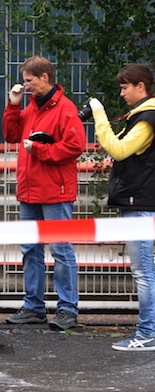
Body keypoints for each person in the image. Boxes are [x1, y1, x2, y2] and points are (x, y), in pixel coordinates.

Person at [2, 56, 86, 331]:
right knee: (31, 250)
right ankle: (35, 306)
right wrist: (13, 106)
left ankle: (66, 309)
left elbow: (75, 147)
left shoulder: (65, 109)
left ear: (44, 77)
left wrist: (38, 150)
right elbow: (12, 134)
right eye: (24, 82)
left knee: (60, 250)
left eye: (29, 81)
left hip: (54, 191)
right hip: (32, 190)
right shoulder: (32, 108)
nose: (26, 87)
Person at [87, 64, 155, 350]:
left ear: (141, 86)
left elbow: (118, 150)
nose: (122, 92)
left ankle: (147, 333)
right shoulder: (143, 115)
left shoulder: (146, 118)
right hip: (140, 200)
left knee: (143, 272)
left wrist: (99, 115)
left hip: (140, 202)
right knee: (146, 271)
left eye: (125, 87)